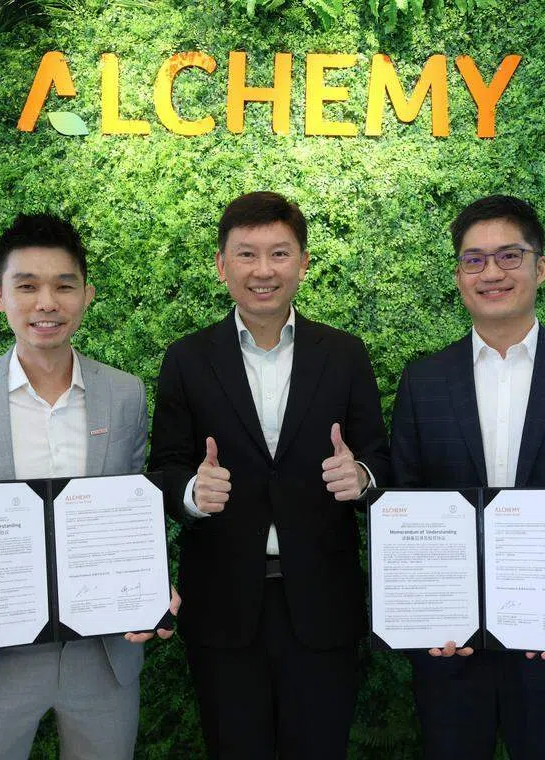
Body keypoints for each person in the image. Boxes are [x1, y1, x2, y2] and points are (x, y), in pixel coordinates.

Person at [0, 212, 178, 760]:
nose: (46, 302)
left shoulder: (124, 395)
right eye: (26, 286)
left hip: (101, 654)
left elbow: (136, 508)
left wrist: (151, 585)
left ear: (86, 295)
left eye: (63, 286)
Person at [390, 194, 545, 759]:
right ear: (458, 274)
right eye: (474, 260)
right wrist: (422, 607)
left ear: (540, 267)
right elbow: (402, 504)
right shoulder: (423, 380)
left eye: (509, 256)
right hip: (448, 645)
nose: (491, 273)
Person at [147, 191, 390, 759]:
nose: (263, 270)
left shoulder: (345, 354)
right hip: (223, 605)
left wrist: (361, 476)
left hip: (323, 603)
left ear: (303, 263)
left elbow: (380, 456)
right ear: (221, 264)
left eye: (279, 254)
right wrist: (190, 491)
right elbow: (163, 469)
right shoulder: (186, 359)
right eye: (247, 254)